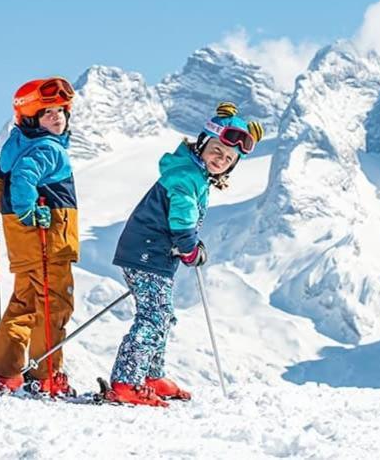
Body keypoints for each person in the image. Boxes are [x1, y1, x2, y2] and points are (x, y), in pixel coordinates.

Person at [105, 102, 264, 406]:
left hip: (155, 255)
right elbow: (181, 217)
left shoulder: (194, 173)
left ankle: (152, 375)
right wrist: (189, 247)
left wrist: (187, 245)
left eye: (229, 159)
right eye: (217, 151)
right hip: (147, 254)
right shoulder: (185, 177)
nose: (221, 160)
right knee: (153, 317)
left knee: (163, 316)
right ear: (203, 143)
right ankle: (126, 381)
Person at [0, 77, 78, 397]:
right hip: (49, 242)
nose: (57, 117)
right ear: (30, 118)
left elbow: (6, 176)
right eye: (47, 112)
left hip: (26, 246)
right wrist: (26, 210)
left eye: (60, 111)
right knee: (54, 305)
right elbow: (24, 177)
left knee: (23, 303)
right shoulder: (49, 149)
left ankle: (5, 371)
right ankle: (46, 374)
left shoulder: (17, 143)